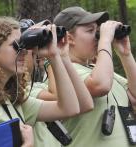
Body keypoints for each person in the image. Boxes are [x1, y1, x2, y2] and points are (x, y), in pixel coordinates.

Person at [0, 16, 84, 147]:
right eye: (17, 45)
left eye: (25, 45)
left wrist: (55, 56)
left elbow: (69, 108)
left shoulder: (11, 99)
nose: (24, 52)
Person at [53, 6, 136, 147]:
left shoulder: (99, 70)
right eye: (91, 31)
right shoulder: (62, 73)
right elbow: (100, 85)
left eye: (97, 31)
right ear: (69, 38)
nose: (98, 36)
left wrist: (125, 55)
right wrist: (105, 41)